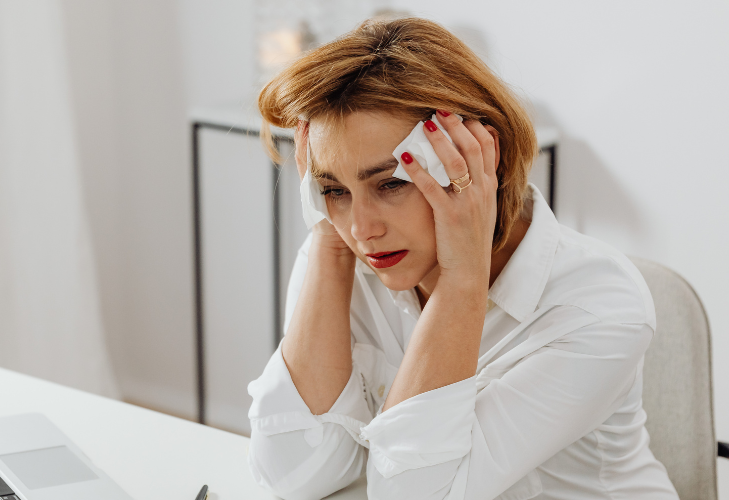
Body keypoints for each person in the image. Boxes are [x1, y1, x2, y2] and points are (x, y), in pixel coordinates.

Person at [246, 17, 678, 500]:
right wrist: (327, 244)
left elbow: (409, 493)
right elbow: (292, 478)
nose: (360, 229)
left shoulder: (598, 306)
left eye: (390, 183)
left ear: (473, 158)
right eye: (332, 189)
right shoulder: (340, 250)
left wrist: (461, 278)